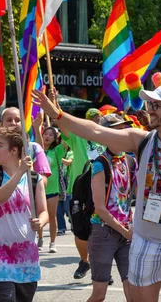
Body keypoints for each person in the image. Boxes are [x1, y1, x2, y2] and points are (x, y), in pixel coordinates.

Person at [32, 79, 161, 302]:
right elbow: (95, 131)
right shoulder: (140, 140)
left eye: (156, 105)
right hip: (146, 240)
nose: (149, 109)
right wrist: (58, 114)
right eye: (149, 104)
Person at [0, 126, 48, 302]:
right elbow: (0, 196)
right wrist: (19, 172)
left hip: (26, 256)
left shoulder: (35, 179)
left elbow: (44, 211)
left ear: (14, 150)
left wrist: (41, 221)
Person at [88, 114, 136, 302]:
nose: (125, 134)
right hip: (103, 232)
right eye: (118, 130)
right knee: (99, 294)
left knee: (133, 291)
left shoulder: (130, 161)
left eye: (125, 129)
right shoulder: (100, 164)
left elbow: (139, 195)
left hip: (126, 233)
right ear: (106, 135)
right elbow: (100, 208)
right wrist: (125, 232)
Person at [54, 107, 106, 280]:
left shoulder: (106, 137)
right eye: (93, 118)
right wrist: (54, 104)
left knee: (101, 228)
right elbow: (62, 123)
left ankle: (99, 265)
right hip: (79, 188)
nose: (96, 121)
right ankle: (85, 261)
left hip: (101, 188)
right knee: (80, 229)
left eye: (99, 118)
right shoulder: (78, 136)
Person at [36, 125, 65, 253]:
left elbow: (66, 139)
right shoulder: (37, 150)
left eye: (51, 135)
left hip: (53, 190)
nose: (47, 136)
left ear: (55, 138)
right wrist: (36, 128)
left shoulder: (57, 151)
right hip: (38, 189)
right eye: (45, 134)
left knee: (52, 217)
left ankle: (52, 243)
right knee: (39, 216)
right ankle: (40, 239)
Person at [57, 148, 73, 235]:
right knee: (58, 209)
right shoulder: (57, 151)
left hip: (67, 183)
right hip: (58, 182)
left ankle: (72, 220)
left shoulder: (71, 152)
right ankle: (61, 228)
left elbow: (69, 162)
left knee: (68, 207)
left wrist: (58, 158)